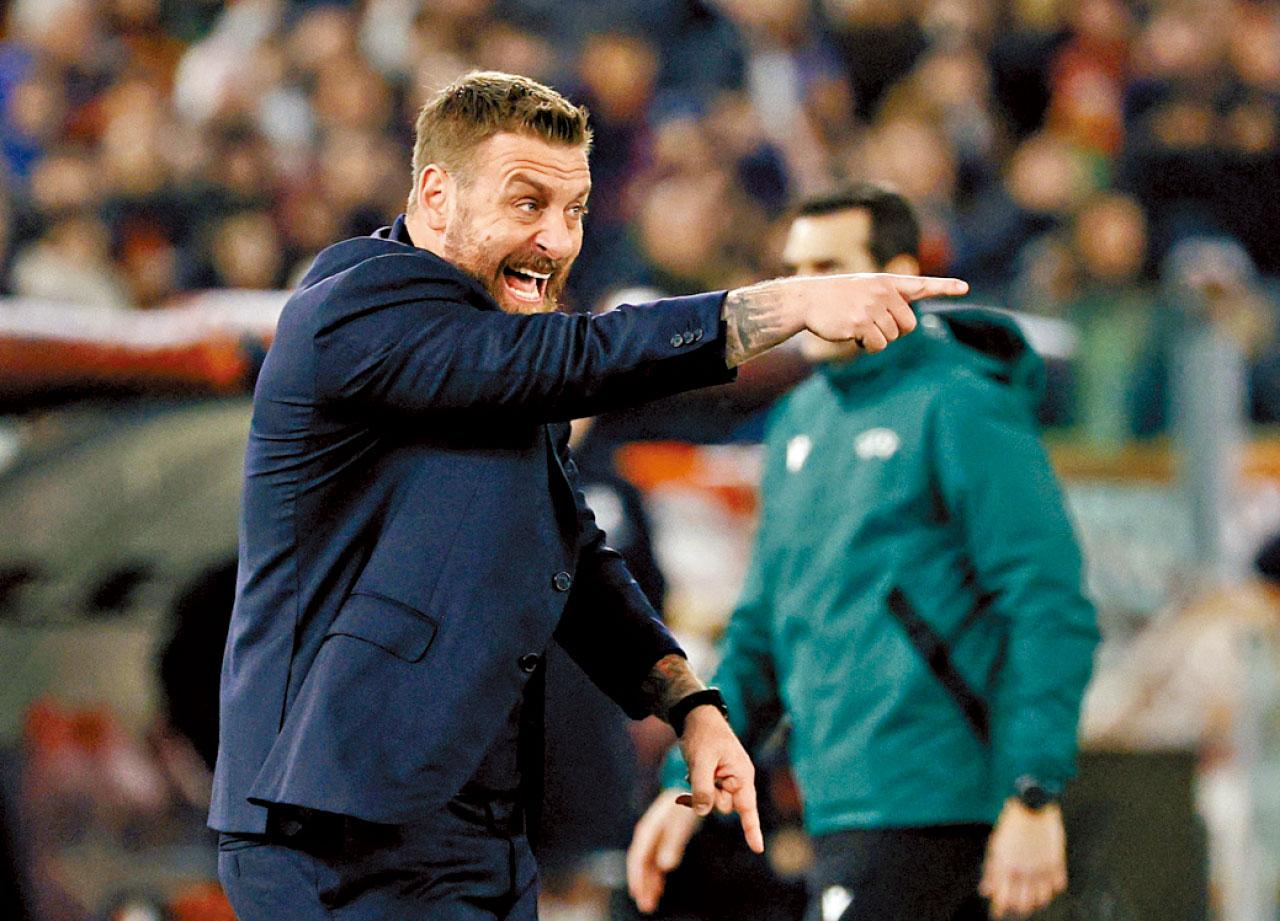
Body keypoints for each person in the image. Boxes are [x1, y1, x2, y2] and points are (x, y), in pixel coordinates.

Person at [208, 73, 969, 921]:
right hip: (334, 824)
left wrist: (689, 705)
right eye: (527, 202)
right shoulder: (353, 305)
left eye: (573, 211)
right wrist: (780, 305)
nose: (556, 239)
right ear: (436, 194)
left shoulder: (497, 358)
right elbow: (578, 356)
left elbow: (572, 554)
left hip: (472, 828)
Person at [627, 184, 1099, 921]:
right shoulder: (798, 421)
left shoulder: (962, 404)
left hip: (944, 804)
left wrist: (1032, 790)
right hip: (839, 804)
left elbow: (1046, 602)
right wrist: (689, 782)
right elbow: (762, 632)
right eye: (794, 270)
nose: (805, 290)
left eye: (828, 267)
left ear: (899, 273)